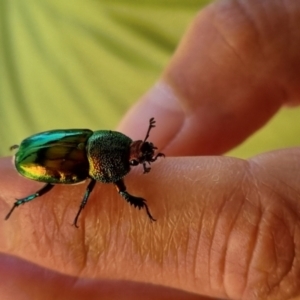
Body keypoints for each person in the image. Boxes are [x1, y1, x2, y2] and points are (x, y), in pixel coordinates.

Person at [1, 0, 300, 299]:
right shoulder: (96, 163)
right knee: (43, 193)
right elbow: (111, 188)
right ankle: (18, 202)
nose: (137, 153)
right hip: (31, 145)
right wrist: (88, 211)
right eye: (134, 152)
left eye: (134, 151)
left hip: (32, 136)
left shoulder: (97, 144)